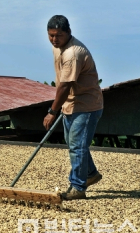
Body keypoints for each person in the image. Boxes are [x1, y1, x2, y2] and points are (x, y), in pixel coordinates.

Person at [43, 15, 104, 200]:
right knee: (74, 144)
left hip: (86, 105)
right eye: (51, 35)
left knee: (77, 146)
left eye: (58, 35)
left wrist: (52, 112)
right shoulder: (58, 47)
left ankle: (77, 187)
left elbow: (65, 86)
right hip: (71, 103)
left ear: (69, 32)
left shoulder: (73, 54)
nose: (54, 39)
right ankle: (91, 173)